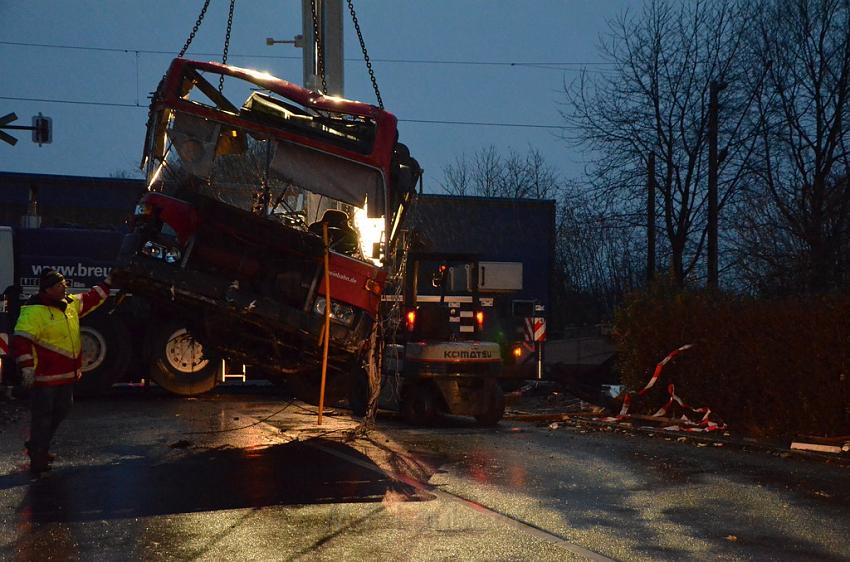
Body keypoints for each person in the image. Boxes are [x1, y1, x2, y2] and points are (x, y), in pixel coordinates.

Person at [11, 269, 112, 476]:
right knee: (43, 416)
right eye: (60, 285)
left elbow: (92, 298)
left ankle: (39, 446)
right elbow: (21, 341)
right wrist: (28, 369)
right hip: (45, 377)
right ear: (47, 289)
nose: (65, 287)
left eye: (64, 283)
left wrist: (108, 283)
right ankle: (38, 457)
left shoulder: (69, 305)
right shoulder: (33, 312)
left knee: (61, 410)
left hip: (66, 375)